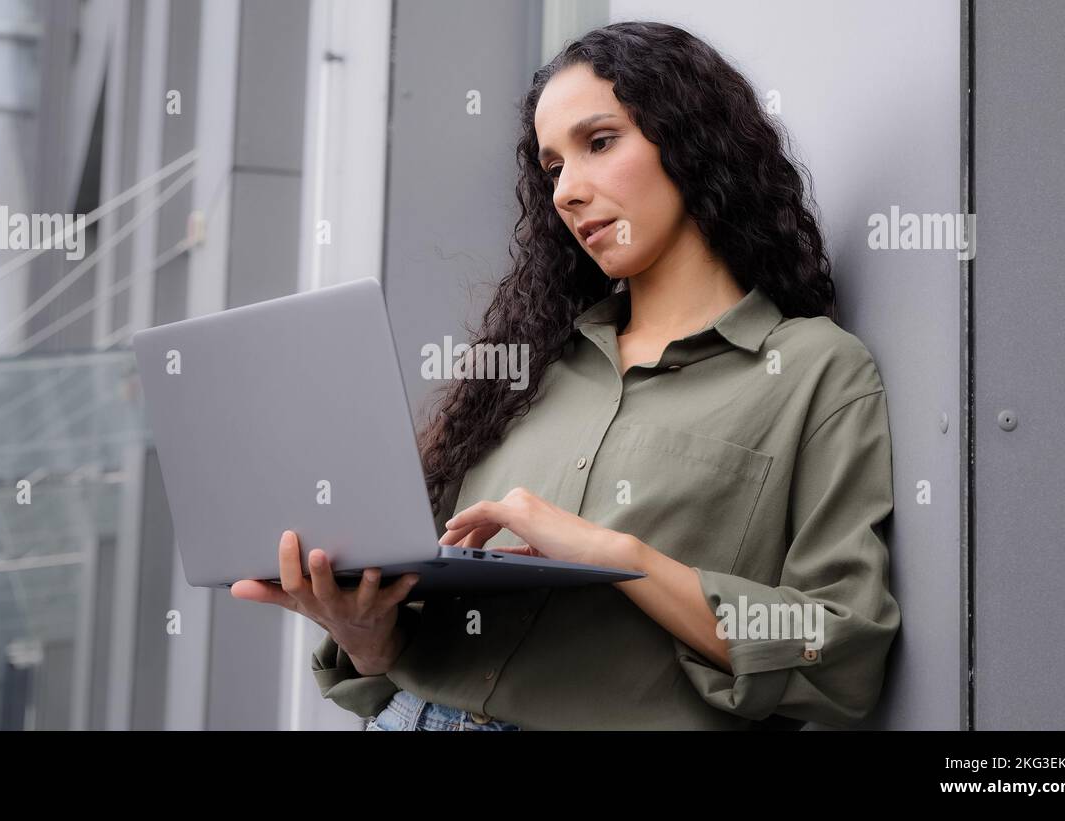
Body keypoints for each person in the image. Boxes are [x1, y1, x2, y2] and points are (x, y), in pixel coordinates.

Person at [230, 21, 900, 731]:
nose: (567, 193)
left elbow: (839, 650)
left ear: (694, 140)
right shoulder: (528, 368)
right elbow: (406, 642)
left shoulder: (813, 371)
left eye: (600, 143)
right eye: (552, 169)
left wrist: (617, 554)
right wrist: (365, 631)